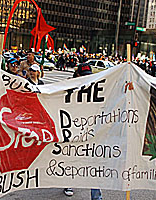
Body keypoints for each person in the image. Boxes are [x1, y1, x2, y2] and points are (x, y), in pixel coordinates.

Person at [64, 63, 102, 200]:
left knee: (94, 164)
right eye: (83, 76)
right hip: (73, 129)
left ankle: (96, 197)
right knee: (72, 159)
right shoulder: (69, 87)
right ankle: (69, 183)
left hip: (91, 129)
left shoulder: (95, 87)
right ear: (78, 75)